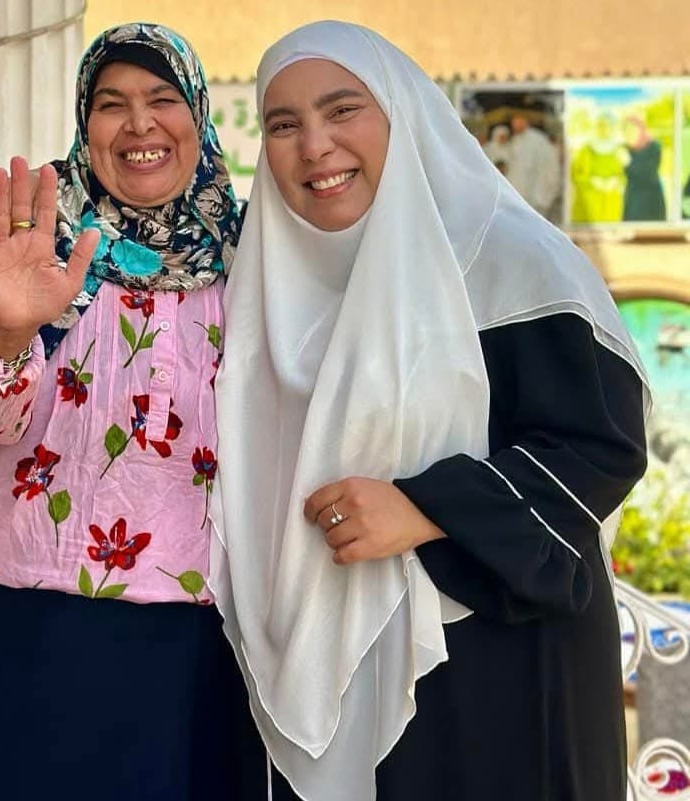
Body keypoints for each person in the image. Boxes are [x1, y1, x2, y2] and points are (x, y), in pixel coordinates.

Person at [212, 21, 649, 801]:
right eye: (283, 124)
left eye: (343, 110)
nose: (314, 145)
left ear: (402, 113)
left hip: (498, 674)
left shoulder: (506, 260)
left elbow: (600, 446)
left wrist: (425, 507)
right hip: (314, 666)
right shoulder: (262, 289)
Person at [0, 23, 266, 801]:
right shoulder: (29, 233)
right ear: (84, 120)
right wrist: (7, 331)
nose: (139, 123)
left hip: (183, 637)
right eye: (111, 103)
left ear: (198, 114)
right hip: (6, 621)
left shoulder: (253, 254)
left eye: (162, 99)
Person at [507, 113, 561, 218]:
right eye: (513, 121)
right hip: (517, 195)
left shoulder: (538, 140)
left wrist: (546, 195)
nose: (515, 124)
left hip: (536, 198)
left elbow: (550, 167)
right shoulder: (515, 140)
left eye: (518, 121)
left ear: (526, 121)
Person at [623, 115, 667, 221]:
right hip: (633, 198)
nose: (630, 132)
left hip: (652, 197)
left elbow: (649, 172)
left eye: (633, 129)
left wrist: (628, 162)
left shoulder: (654, 146)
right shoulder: (625, 148)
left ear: (640, 129)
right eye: (626, 129)